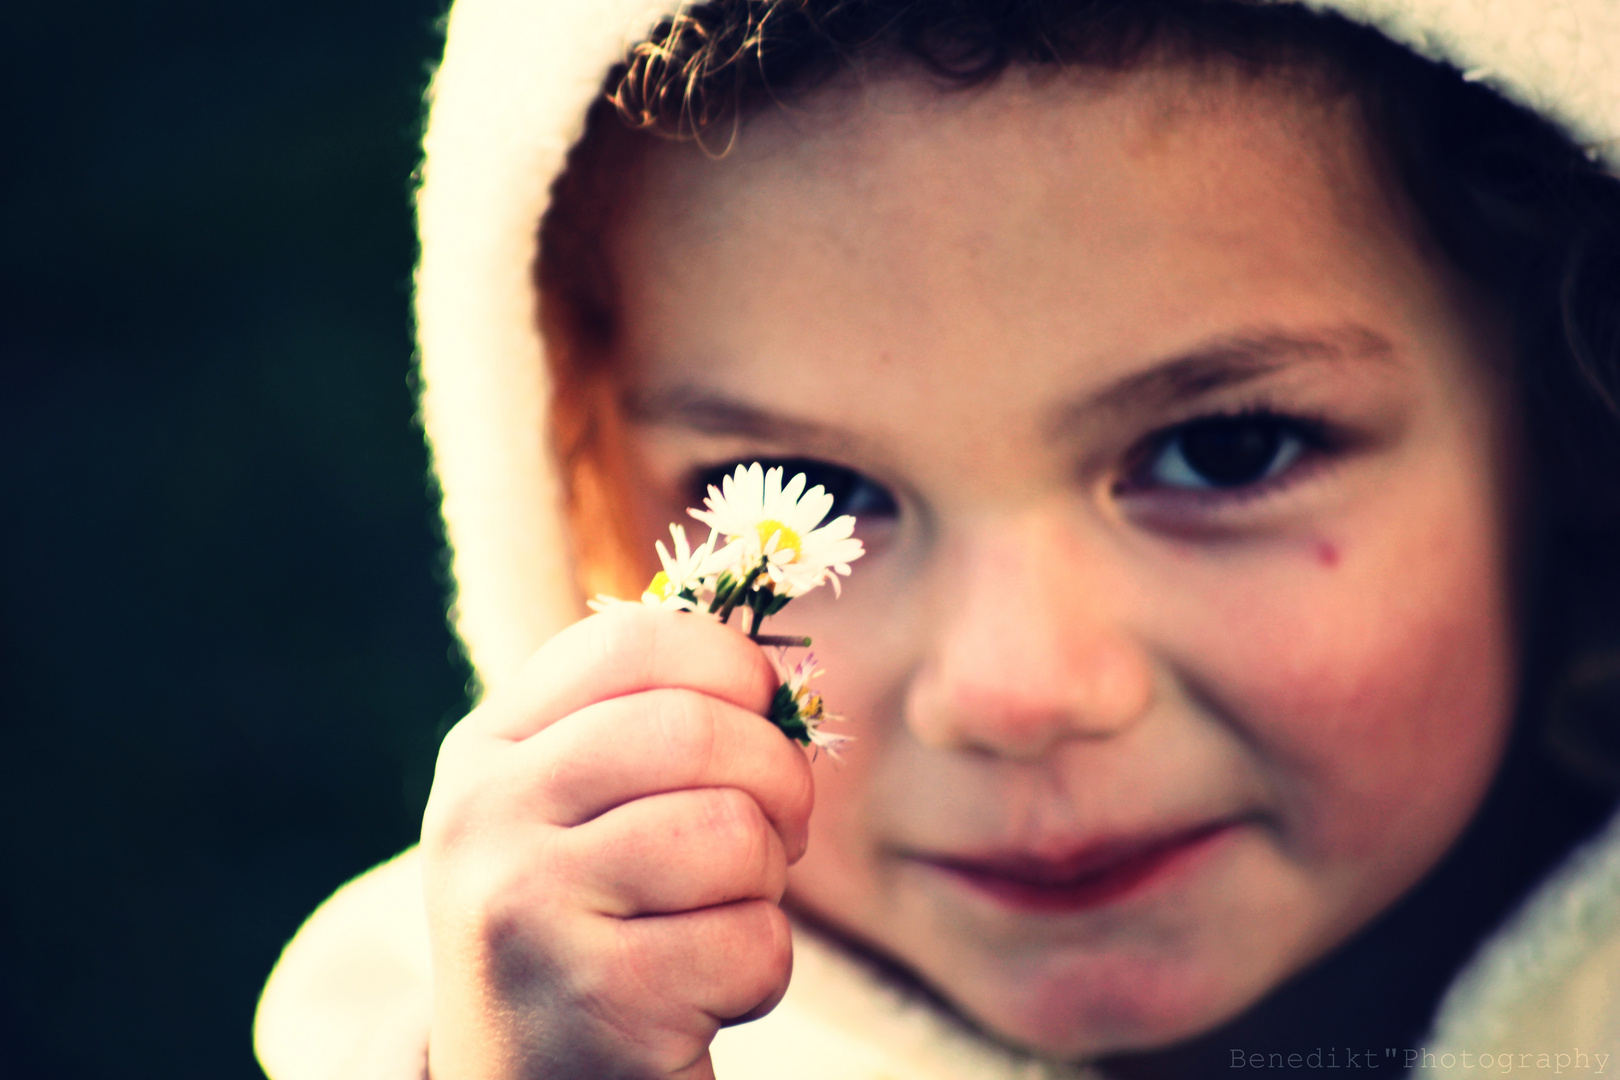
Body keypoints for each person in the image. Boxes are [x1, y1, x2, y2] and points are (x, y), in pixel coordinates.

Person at [254, 0, 1620, 1076]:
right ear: (583, 506)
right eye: (805, 485)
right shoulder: (474, 1025)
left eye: (1224, 449)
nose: (1014, 694)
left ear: (1569, 419)